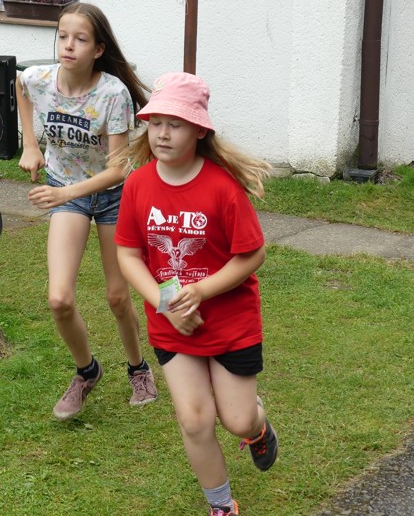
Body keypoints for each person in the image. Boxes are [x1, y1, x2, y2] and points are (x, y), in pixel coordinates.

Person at [113, 72, 278, 515]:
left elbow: (252, 254)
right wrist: (166, 305)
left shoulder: (222, 187)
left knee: (236, 419)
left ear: (200, 130)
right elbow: (128, 254)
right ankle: (221, 506)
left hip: (230, 324)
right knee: (194, 419)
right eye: (155, 122)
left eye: (176, 124)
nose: (163, 134)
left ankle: (258, 428)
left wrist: (201, 291)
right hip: (173, 324)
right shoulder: (138, 184)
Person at [16, 1, 157, 420]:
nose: (68, 45)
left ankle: (138, 368)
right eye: (63, 36)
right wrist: (30, 145)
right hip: (69, 193)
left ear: (98, 49)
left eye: (80, 39)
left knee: (118, 296)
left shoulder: (112, 94)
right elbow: (21, 86)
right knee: (59, 299)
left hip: (113, 197)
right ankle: (87, 371)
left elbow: (118, 169)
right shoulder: (40, 79)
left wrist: (64, 194)